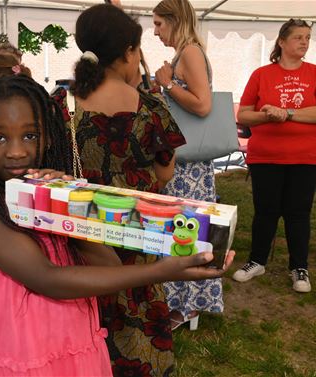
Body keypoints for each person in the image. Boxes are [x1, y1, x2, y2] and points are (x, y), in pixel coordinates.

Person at [0, 74, 234, 376]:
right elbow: (45, 278)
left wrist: (71, 207)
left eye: (30, 136)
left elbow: (110, 266)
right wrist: (161, 271)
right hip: (21, 366)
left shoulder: (50, 197)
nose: (16, 151)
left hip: (78, 356)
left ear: (48, 137)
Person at [70, 4, 187, 375]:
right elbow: (164, 174)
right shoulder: (150, 107)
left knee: (93, 304)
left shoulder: (67, 104)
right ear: (128, 52)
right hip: (140, 224)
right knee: (140, 299)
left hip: (86, 226)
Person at [232, 19, 316, 293]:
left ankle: (299, 267)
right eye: (298, 37)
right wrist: (268, 115)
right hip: (266, 155)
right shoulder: (262, 74)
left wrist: (287, 112)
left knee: (298, 212)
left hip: (305, 156)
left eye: (308, 37)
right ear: (282, 42)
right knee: (265, 211)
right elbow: (243, 114)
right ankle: (257, 260)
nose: (304, 42)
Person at [152, 0, 224, 332]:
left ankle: (190, 305)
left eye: (159, 24)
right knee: (180, 232)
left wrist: (168, 85)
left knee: (188, 232)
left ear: (174, 20)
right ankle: (180, 301)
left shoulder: (191, 53)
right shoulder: (185, 54)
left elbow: (203, 104)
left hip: (189, 165)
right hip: (183, 163)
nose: (155, 32)